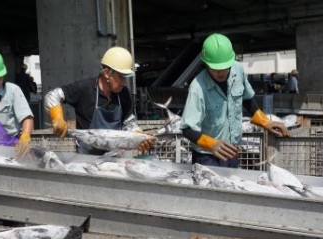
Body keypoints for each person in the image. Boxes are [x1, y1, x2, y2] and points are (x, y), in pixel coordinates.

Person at [179, 33, 290, 168]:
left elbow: (247, 99)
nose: (220, 72)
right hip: (206, 156)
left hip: (231, 150)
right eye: (215, 68)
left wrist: (265, 122)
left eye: (225, 67)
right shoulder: (197, 88)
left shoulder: (238, 70)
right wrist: (212, 143)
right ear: (206, 64)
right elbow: (187, 128)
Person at [43, 46, 154, 155]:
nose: (124, 82)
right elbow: (53, 96)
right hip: (86, 159)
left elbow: (128, 122)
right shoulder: (85, 88)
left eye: (125, 77)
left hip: (115, 157)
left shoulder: (123, 93)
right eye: (121, 77)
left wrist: (138, 137)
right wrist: (57, 117)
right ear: (107, 73)